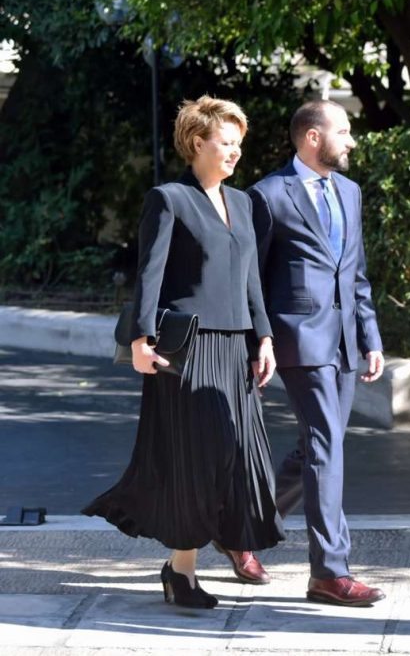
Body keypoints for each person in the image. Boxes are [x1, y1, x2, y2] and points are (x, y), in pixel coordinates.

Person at [82, 96, 284, 609]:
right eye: (227, 142)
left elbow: (252, 279)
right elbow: (149, 274)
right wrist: (139, 341)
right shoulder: (168, 199)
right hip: (188, 351)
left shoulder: (243, 203)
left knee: (239, 455)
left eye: (239, 144)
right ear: (198, 143)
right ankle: (183, 571)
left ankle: (199, 557)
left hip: (236, 348)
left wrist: (263, 338)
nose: (236, 152)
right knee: (197, 459)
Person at [239, 99, 385, 607]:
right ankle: (329, 571)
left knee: (318, 446)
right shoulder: (267, 195)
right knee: (326, 445)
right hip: (298, 338)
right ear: (312, 137)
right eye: (343, 131)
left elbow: (356, 272)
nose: (351, 141)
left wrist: (370, 336)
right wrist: (258, 340)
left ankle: (243, 527)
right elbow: (252, 279)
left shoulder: (349, 191)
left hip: (344, 339)